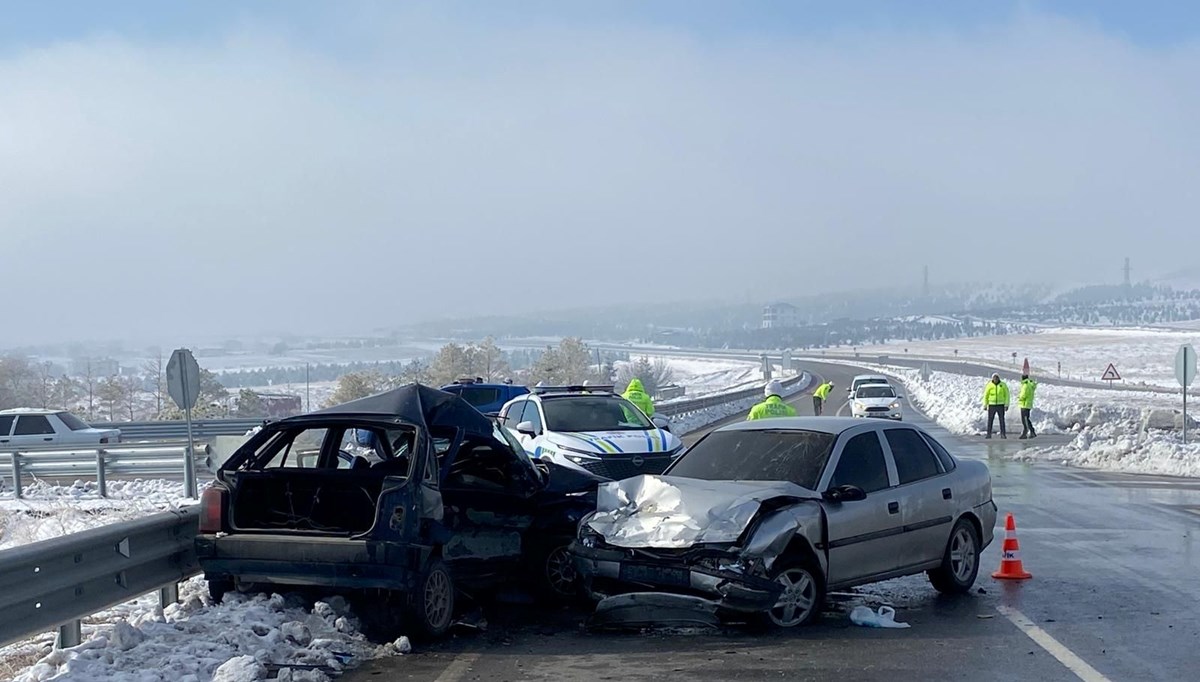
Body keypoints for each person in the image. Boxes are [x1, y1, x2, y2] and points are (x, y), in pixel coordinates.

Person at [982, 373, 1011, 439]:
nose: (995, 379)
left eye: (997, 377)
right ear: (992, 378)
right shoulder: (989, 385)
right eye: (994, 378)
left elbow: (1007, 395)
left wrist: (1006, 405)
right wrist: (985, 405)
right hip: (992, 405)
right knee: (990, 420)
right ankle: (989, 434)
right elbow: (986, 395)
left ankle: (1003, 434)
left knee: (1001, 420)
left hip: (1000, 405)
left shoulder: (1003, 385)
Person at [1018, 374, 1038, 439]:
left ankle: (1025, 432)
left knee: (1025, 419)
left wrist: (1019, 398)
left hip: (1024, 404)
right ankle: (1032, 431)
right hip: (1028, 404)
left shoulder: (1025, 385)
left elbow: (1023, 395)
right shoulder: (1030, 385)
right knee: (1027, 419)